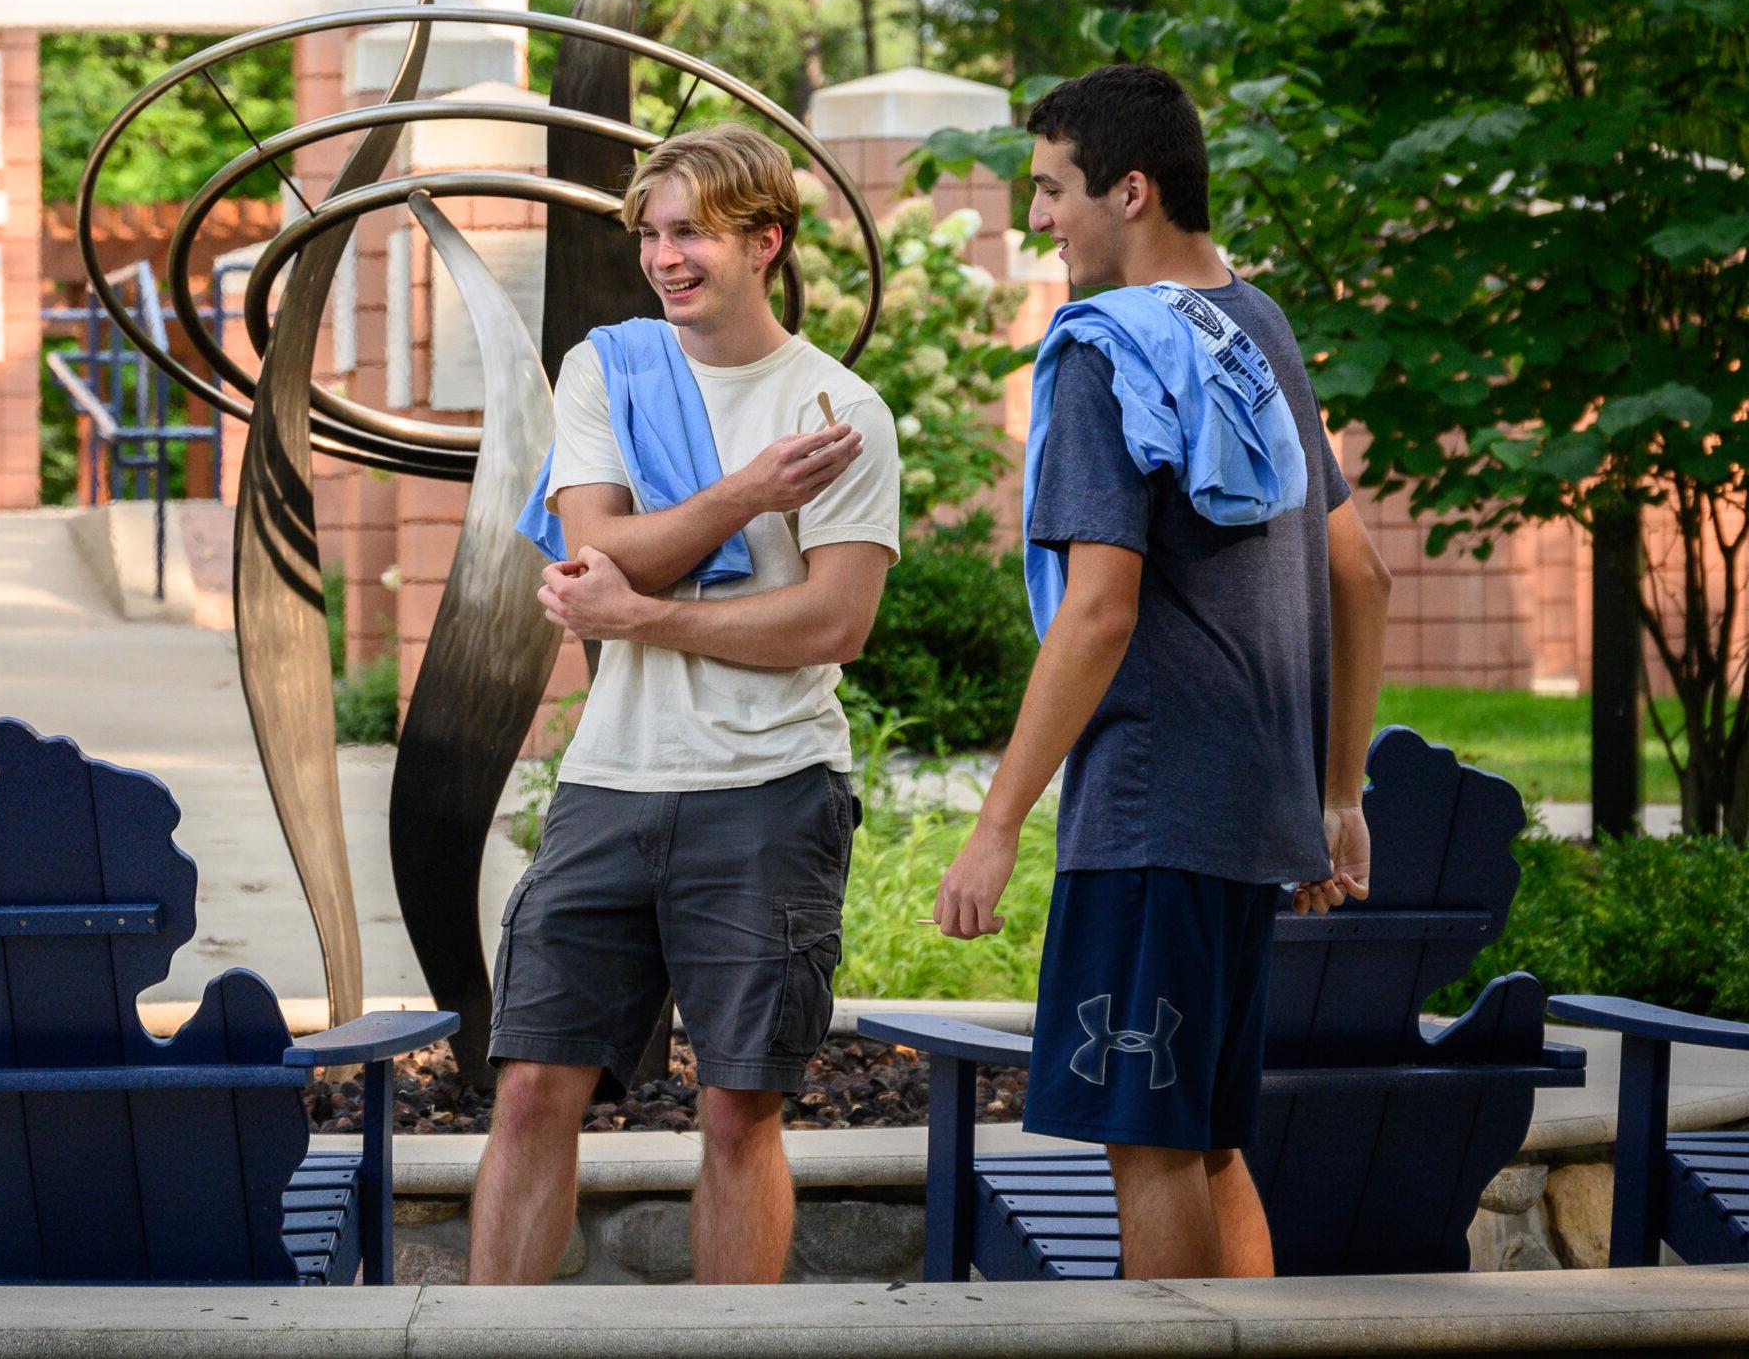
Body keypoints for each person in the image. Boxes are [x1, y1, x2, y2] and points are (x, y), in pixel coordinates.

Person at [933, 63, 1391, 1279]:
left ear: (1129, 190)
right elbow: (1362, 577)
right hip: (1251, 812)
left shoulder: (1101, 353)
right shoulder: (1256, 323)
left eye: (1051, 191)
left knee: (1146, 1144)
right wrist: (1332, 794)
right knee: (1209, 1138)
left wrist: (996, 821)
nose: (1038, 221)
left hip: (1145, 809)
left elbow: (1097, 613)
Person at [471, 122, 903, 1285]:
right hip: (611, 785)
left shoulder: (838, 408)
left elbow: (831, 624)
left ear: (765, 240)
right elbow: (597, 544)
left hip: (770, 791)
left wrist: (647, 615)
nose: (665, 258)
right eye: (652, 234)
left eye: (692, 234)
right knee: (527, 1088)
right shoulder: (605, 368)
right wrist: (749, 492)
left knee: (737, 1110)